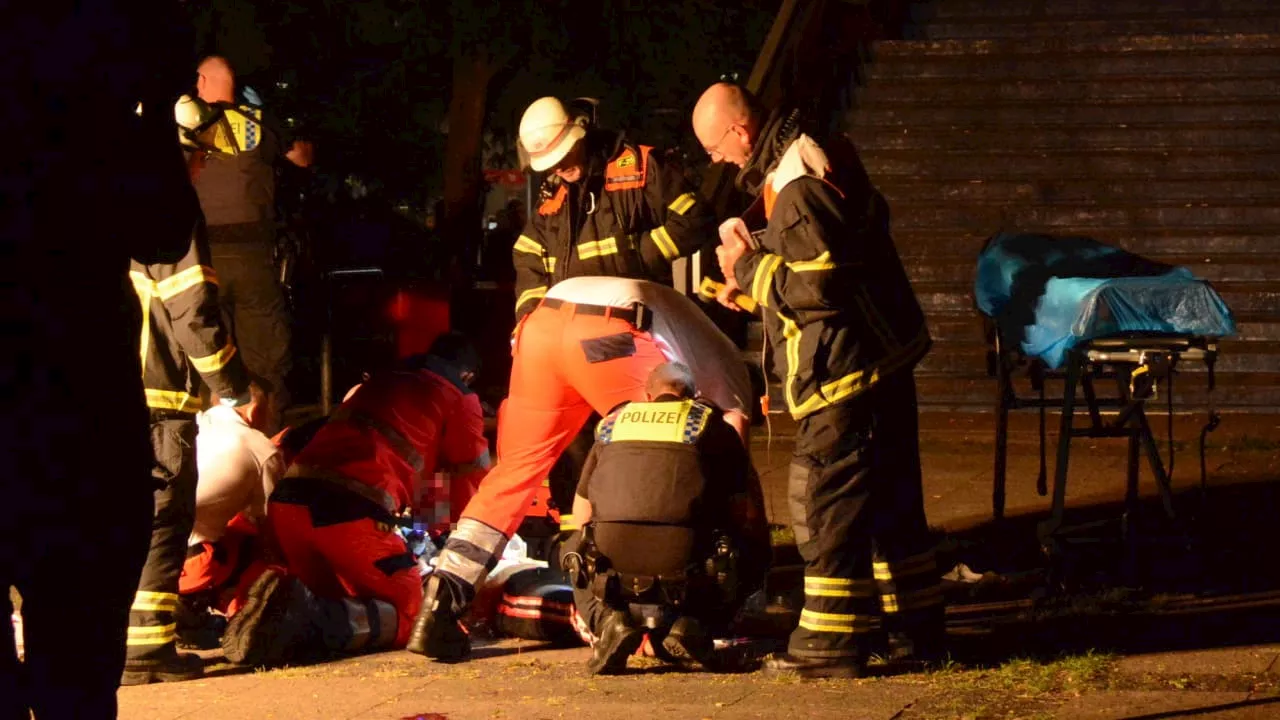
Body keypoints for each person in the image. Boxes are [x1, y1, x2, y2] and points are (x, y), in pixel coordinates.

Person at [691, 82, 944, 678]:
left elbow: (821, 284)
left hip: (841, 375)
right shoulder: (810, 155)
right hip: (876, 362)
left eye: (714, 146)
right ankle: (914, 628)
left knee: (825, 507)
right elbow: (832, 271)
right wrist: (748, 289)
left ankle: (828, 646)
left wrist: (745, 267)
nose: (716, 160)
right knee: (889, 510)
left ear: (741, 131)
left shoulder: (796, 182)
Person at [1, 4, 202, 715]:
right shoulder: (88, 99)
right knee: (76, 665)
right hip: (72, 414)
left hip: (65, 408)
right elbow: (162, 225)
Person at [407, 276, 758, 663]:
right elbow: (733, 467)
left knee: (512, 476)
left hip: (541, 325)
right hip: (611, 332)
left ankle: (439, 605)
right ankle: (650, 621)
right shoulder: (733, 378)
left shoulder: (701, 338)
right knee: (655, 455)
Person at [219, 332, 491, 666]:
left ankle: (288, 616)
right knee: (415, 615)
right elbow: (467, 476)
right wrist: (450, 536)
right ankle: (304, 620)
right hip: (347, 515)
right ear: (468, 375)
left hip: (289, 508)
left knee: (346, 597)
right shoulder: (459, 398)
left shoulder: (380, 383)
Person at [122, 214, 260, 685]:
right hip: (156, 400)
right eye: (199, 153)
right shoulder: (166, 213)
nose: (201, 167)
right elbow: (192, 307)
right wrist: (233, 386)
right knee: (162, 519)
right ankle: (146, 648)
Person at [562, 362, 769, 675]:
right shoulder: (709, 424)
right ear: (692, 395)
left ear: (648, 395)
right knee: (750, 547)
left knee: (572, 547)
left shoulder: (613, 423)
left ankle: (610, 624)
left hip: (612, 556)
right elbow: (741, 512)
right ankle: (694, 624)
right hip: (684, 558)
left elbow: (582, 513)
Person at [186, 56, 314, 433]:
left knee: (210, 351)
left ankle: (213, 446)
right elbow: (302, 158)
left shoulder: (190, 123)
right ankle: (267, 446)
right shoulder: (257, 122)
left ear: (203, 83)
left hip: (203, 259)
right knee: (266, 357)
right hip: (254, 258)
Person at [510, 96, 717, 319]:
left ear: (581, 135)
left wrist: (642, 254)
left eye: (563, 154)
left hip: (634, 326)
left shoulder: (639, 170)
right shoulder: (551, 199)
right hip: (568, 330)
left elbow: (696, 218)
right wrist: (531, 319)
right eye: (551, 163)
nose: (558, 168)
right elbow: (527, 256)